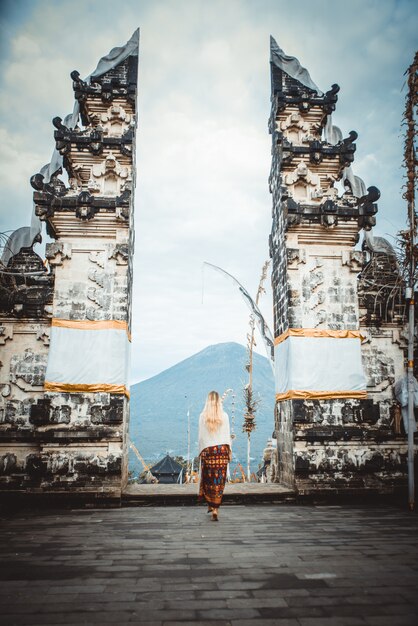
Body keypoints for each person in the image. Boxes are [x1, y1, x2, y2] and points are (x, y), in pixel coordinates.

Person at [198, 390, 232, 521]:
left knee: (208, 480)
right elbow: (227, 436)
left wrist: (201, 451)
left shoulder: (202, 416)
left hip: (208, 451)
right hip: (222, 451)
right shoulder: (225, 416)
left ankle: (210, 505)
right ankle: (216, 508)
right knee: (219, 481)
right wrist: (228, 452)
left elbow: (201, 437)